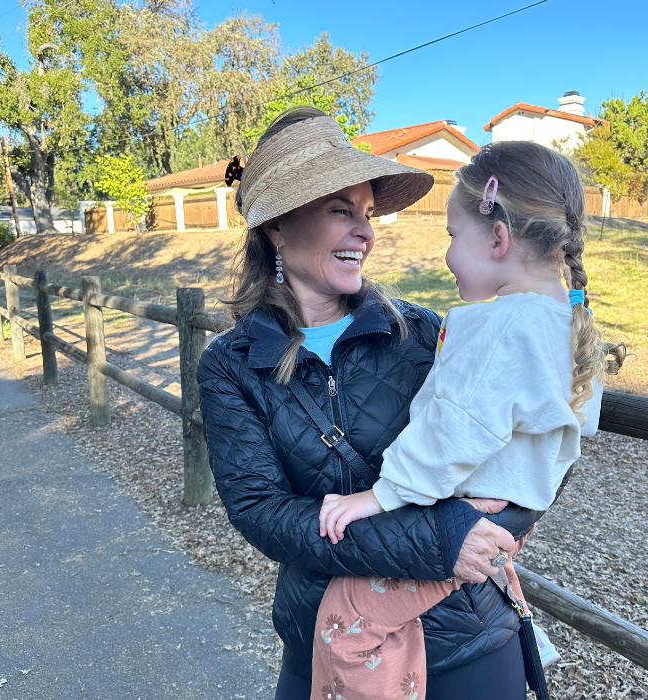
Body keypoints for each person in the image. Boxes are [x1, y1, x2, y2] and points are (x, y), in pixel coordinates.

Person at [197, 107, 542, 700]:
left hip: (466, 638)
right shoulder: (232, 366)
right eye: (340, 211)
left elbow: (533, 453)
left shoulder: (422, 335)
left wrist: (488, 528)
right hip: (331, 645)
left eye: (367, 212)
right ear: (278, 226)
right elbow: (263, 511)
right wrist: (440, 538)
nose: (365, 230)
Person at [312, 140, 626, 700]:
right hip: (506, 518)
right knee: (391, 615)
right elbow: (578, 426)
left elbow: (451, 429)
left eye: (453, 236)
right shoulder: (571, 323)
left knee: (348, 619)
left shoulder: (501, 327)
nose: (448, 255)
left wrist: (377, 498)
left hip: (459, 506)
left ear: (498, 238)